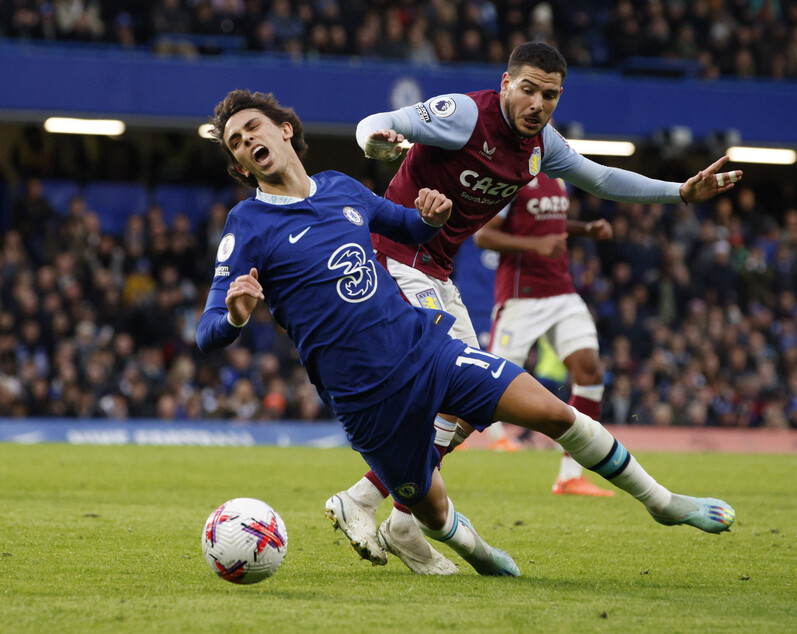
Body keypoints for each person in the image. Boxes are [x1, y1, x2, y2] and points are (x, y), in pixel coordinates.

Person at [197, 89, 735, 578]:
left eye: (253, 128)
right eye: (236, 142)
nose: (248, 140)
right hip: (364, 398)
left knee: (552, 411)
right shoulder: (248, 225)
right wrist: (238, 316)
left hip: (425, 351)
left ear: (284, 130)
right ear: (240, 164)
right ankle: (467, 547)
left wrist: (433, 213)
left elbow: (408, 226)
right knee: (430, 509)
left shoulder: (341, 188)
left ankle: (662, 503)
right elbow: (208, 332)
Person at [329, 41, 742, 574]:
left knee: (468, 408)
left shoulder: (542, 146)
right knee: (459, 390)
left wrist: (680, 193)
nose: (538, 104)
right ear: (506, 84)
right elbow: (376, 121)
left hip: (436, 272)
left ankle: (402, 517)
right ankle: (363, 501)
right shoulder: (463, 115)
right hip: (395, 260)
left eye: (550, 95)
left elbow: (604, 179)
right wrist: (377, 142)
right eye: (528, 89)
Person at [474, 172, 615, 497]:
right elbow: (483, 236)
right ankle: (427, 450)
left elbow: (551, 227)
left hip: (561, 293)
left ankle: (569, 476)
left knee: (590, 374)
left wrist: (585, 229)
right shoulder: (511, 178)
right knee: (483, 386)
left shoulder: (559, 178)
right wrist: (535, 245)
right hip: (521, 297)